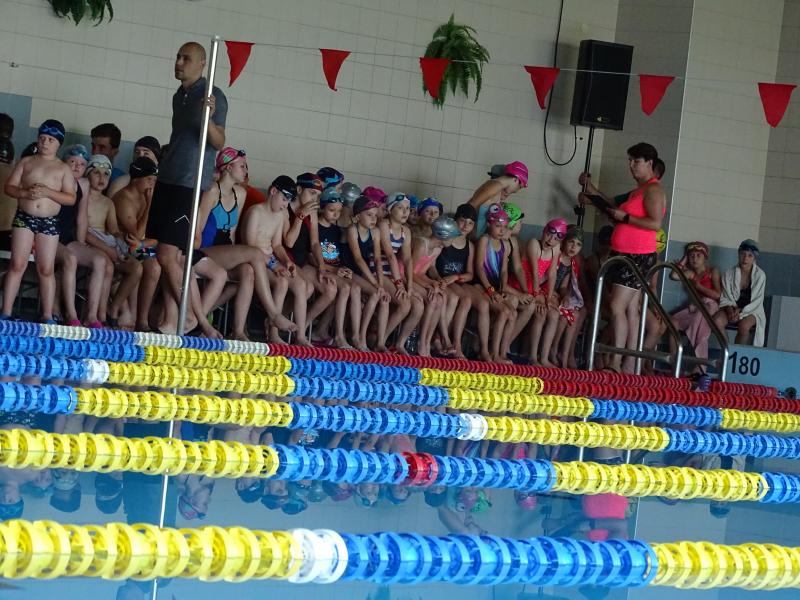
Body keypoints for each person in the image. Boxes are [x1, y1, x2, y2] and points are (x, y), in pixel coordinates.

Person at [145, 41, 228, 337]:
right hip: (168, 179)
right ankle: (173, 320)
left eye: (186, 58)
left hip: (190, 184)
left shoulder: (213, 96)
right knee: (166, 256)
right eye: (178, 57)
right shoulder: (178, 95)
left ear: (202, 63)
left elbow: (219, 143)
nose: (179, 63)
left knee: (168, 255)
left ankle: (195, 319)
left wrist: (209, 118)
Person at [195, 148, 296, 340]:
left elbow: (232, 233)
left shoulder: (239, 194)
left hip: (226, 252)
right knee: (254, 253)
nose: (246, 171)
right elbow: (198, 229)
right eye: (242, 166)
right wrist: (273, 263)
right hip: (207, 251)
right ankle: (273, 314)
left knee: (248, 271)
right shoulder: (212, 191)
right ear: (227, 167)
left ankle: (238, 331)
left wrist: (236, 255)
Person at [583, 143, 667, 372]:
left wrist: (626, 218)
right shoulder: (638, 190)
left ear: (649, 163)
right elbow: (614, 206)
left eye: (636, 161)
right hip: (626, 254)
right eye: (629, 161)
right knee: (630, 310)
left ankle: (615, 361)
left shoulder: (653, 190)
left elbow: (655, 223)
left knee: (616, 305)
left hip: (637, 256)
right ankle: (630, 364)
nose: (631, 166)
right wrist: (593, 194)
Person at [1, 119, 76, 322]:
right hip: (24, 219)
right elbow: (9, 188)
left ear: (59, 144)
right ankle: (6, 312)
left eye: (50, 140)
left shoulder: (63, 169)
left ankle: (47, 314)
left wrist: (48, 192)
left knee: (46, 268)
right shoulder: (26, 162)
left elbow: (70, 198)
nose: (45, 142)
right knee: (17, 264)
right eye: (42, 138)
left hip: (49, 222)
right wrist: (25, 193)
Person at [241, 175, 308, 344]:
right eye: (284, 199)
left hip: (270, 260)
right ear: (273, 191)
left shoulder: (280, 215)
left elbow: (277, 245)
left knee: (301, 284)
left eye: (288, 202)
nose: (285, 205)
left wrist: (286, 261)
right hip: (253, 260)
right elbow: (251, 248)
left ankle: (300, 336)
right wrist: (273, 264)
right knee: (282, 281)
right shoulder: (256, 212)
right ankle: (273, 332)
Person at [56, 144, 114, 328]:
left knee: (100, 261)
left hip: (67, 239)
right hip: (49, 236)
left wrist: (81, 244)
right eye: (72, 162)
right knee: (70, 259)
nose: (76, 167)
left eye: (81, 164)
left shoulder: (84, 184)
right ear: (63, 163)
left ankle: (91, 316)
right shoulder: (55, 179)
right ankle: (71, 314)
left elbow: (81, 218)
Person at [84, 155, 143, 327]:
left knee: (136, 267)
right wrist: (109, 249)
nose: (101, 178)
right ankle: (100, 315)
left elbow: (114, 230)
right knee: (108, 266)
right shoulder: (82, 198)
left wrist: (121, 244)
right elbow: (82, 232)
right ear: (88, 174)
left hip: (106, 243)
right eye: (96, 173)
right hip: (91, 244)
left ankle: (115, 308)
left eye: (105, 174)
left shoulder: (108, 203)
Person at [284, 172, 338, 336]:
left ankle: (301, 324)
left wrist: (322, 267)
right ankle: (279, 320)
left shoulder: (312, 212)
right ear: (299, 190)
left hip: (303, 262)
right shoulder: (285, 207)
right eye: (312, 193)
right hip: (285, 259)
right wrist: (300, 215)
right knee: (306, 289)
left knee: (330, 290)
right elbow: (289, 243)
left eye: (318, 196)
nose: (314, 199)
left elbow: (314, 243)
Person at [112, 156, 162, 331]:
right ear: (136, 179)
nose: (152, 184)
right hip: (124, 245)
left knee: (159, 263)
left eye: (154, 180)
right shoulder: (123, 199)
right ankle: (139, 319)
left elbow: (158, 234)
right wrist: (149, 205)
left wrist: (146, 242)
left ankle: (143, 318)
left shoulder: (146, 195)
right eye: (149, 179)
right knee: (153, 266)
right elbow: (137, 234)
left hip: (140, 245)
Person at [656, 241, 721, 362]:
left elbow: (717, 295)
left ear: (705, 257)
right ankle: (674, 361)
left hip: (710, 306)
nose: (694, 259)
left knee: (701, 317)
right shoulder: (691, 274)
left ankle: (700, 364)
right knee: (673, 322)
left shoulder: (712, 272)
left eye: (698, 255)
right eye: (692, 256)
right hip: (696, 307)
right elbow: (673, 275)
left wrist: (699, 287)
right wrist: (685, 258)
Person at [433, 203, 482, 359]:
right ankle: (439, 338)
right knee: (453, 298)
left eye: (470, 223)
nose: (466, 226)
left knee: (466, 300)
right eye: (462, 221)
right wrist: (439, 279)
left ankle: (456, 343)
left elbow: (470, 274)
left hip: (454, 281)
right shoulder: (446, 239)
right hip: (440, 279)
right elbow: (431, 263)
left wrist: (455, 277)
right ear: (455, 220)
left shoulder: (470, 246)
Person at [377, 192, 423, 353]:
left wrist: (409, 286)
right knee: (404, 304)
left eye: (407, 209)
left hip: (392, 274)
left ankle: (400, 343)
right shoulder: (384, 225)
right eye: (400, 208)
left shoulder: (406, 231)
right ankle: (380, 341)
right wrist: (399, 284)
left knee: (418, 306)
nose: (405, 212)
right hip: (378, 272)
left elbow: (408, 260)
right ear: (390, 210)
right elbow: (390, 255)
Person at [343, 195, 391, 350]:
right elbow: (358, 259)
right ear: (357, 217)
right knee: (376, 293)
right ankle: (357, 336)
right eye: (369, 215)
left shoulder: (375, 232)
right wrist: (376, 284)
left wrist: (381, 285)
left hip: (363, 272)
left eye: (375, 215)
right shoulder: (352, 230)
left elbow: (377, 260)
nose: (373, 219)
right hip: (349, 270)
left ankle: (373, 340)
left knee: (381, 296)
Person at [410, 216, 462, 357]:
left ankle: (427, 341)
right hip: (404, 277)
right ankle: (422, 342)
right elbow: (410, 272)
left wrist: (434, 282)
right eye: (452, 237)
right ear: (443, 235)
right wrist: (428, 286)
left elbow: (421, 272)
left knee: (440, 298)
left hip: (415, 278)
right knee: (433, 299)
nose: (453, 240)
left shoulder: (437, 249)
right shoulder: (422, 244)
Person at [473, 205, 517, 362]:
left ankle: (502, 352)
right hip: (481, 285)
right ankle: (493, 353)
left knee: (513, 313)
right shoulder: (484, 240)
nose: (501, 230)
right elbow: (479, 267)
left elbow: (504, 270)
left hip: (496, 288)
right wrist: (490, 290)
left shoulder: (505, 245)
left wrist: (503, 288)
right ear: (489, 224)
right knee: (504, 311)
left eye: (504, 227)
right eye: (498, 226)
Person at [541, 226, 589, 368]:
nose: (574, 247)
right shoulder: (556, 256)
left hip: (555, 295)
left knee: (574, 313)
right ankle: (553, 349)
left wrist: (565, 295)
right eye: (571, 242)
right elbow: (543, 278)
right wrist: (551, 294)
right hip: (544, 292)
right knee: (563, 316)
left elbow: (563, 286)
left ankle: (565, 354)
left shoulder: (571, 263)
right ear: (563, 241)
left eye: (578, 244)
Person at [525, 218, 566, 364]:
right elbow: (534, 273)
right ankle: (532, 356)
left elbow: (552, 274)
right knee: (541, 313)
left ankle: (544, 358)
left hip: (537, 289)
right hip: (523, 286)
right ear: (544, 231)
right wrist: (538, 297)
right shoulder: (533, 244)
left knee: (554, 314)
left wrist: (548, 297)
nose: (551, 240)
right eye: (549, 234)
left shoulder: (556, 248)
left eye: (556, 238)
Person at [714, 239, 766, 346]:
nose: (745, 258)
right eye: (743, 254)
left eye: (750, 256)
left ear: (754, 258)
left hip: (752, 310)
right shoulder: (729, 273)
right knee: (717, 321)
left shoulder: (760, 276)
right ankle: (728, 350)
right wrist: (730, 311)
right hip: (732, 308)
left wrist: (740, 311)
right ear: (738, 254)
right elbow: (726, 297)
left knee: (744, 326)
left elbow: (756, 302)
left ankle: (738, 352)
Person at [469, 161, 528, 237]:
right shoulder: (496, 185)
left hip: (477, 236)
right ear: (515, 179)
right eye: (519, 187)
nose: (516, 191)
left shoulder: (497, 189)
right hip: (472, 236)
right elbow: (470, 206)